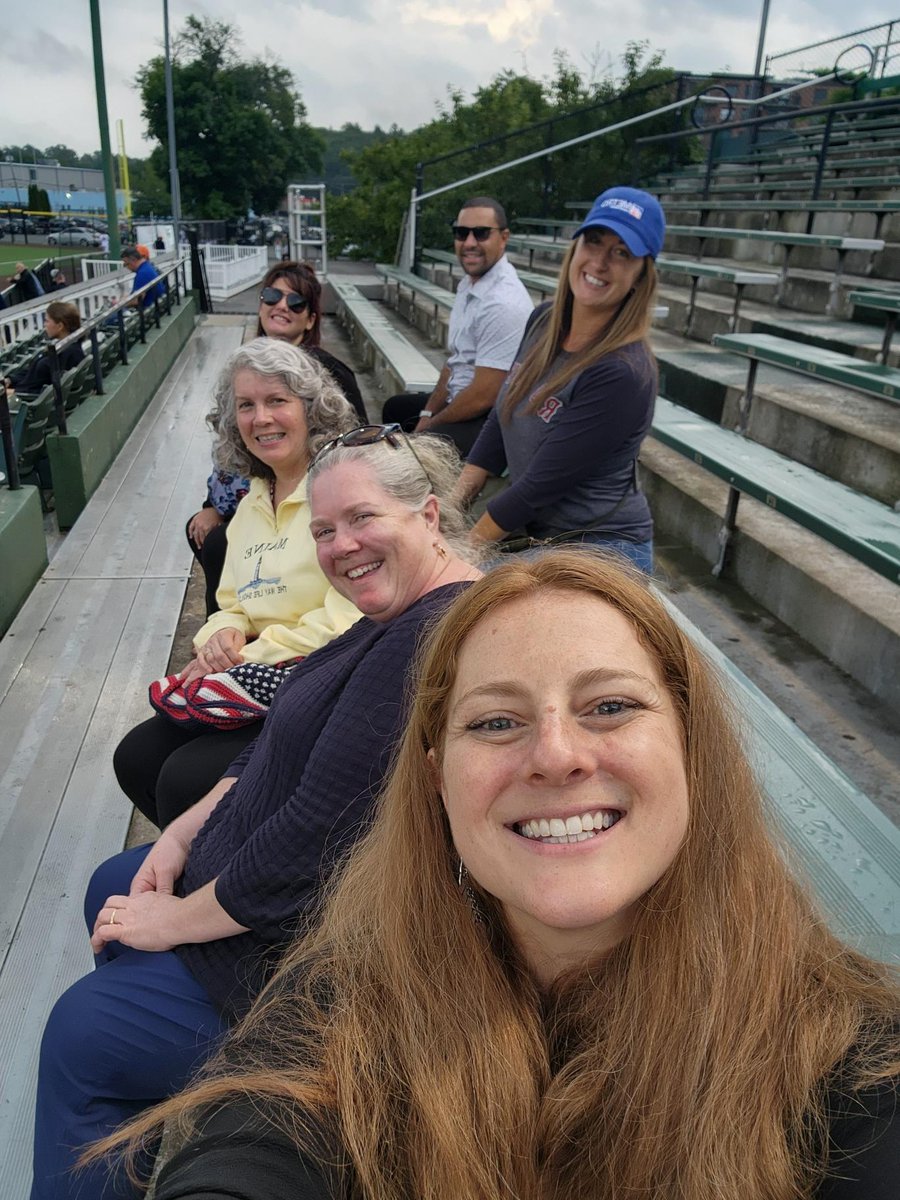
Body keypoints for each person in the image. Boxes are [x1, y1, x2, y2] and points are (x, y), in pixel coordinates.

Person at [103, 549, 898, 1200]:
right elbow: (256, 1136)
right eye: (496, 722)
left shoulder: (852, 1062)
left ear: (693, 747)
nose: (555, 754)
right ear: (437, 776)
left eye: (611, 706)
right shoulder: (348, 994)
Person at [31, 430, 482, 1200]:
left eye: (363, 520)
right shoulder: (385, 613)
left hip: (303, 958)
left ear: (429, 515)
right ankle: (154, 1108)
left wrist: (169, 925)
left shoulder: (430, 638)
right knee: (119, 876)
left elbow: (310, 850)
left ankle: (178, 1082)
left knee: (81, 1036)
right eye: (324, 532)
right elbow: (273, 738)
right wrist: (178, 834)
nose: (343, 547)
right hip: (254, 897)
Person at [115, 339, 363, 828]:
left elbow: (352, 610)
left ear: (311, 409)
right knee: (136, 756)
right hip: (256, 674)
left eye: (277, 401)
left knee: (184, 779)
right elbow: (230, 604)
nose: (261, 418)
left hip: (325, 678)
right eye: (246, 406)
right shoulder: (253, 501)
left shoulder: (341, 485)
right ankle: (202, 866)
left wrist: (251, 651)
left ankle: (220, 883)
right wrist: (219, 638)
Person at [456, 186, 665, 573]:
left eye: (621, 253)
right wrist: (450, 509)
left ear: (640, 275)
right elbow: (499, 423)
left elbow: (536, 487)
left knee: (445, 596)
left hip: (601, 550)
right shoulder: (543, 320)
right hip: (542, 537)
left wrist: (460, 555)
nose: (599, 263)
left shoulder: (622, 372)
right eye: (594, 242)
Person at [186, 261, 368, 615]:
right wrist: (212, 505)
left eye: (296, 302)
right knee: (206, 534)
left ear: (311, 319)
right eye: (272, 295)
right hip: (256, 493)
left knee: (219, 544)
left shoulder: (325, 372)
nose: (281, 305)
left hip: (308, 495)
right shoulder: (246, 366)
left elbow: (352, 443)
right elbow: (232, 445)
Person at [383, 196, 532, 456]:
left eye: (481, 233)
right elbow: (454, 364)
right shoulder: (470, 284)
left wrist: (430, 426)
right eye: (462, 233)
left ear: (504, 237)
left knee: (414, 453)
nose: (470, 243)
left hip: (490, 420)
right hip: (464, 402)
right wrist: (427, 413)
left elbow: (483, 396)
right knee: (396, 409)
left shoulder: (504, 303)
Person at [2, 300, 84, 395]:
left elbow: (41, 393)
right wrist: (10, 380)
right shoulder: (66, 347)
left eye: (47, 321)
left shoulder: (67, 353)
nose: (45, 325)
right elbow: (31, 374)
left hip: (24, 402)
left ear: (60, 326)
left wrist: (7, 392)